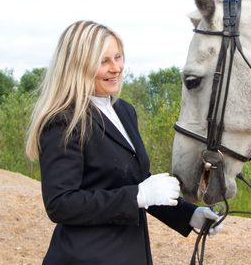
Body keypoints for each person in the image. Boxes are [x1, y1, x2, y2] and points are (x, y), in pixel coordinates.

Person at [25, 20, 222, 265]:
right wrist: (137, 196)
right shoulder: (63, 121)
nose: (116, 68)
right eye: (103, 61)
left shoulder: (124, 111)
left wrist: (190, 215)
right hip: (84, 258)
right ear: (77, 66)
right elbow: (61, 204)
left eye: (118, 57)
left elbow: (136, 183)